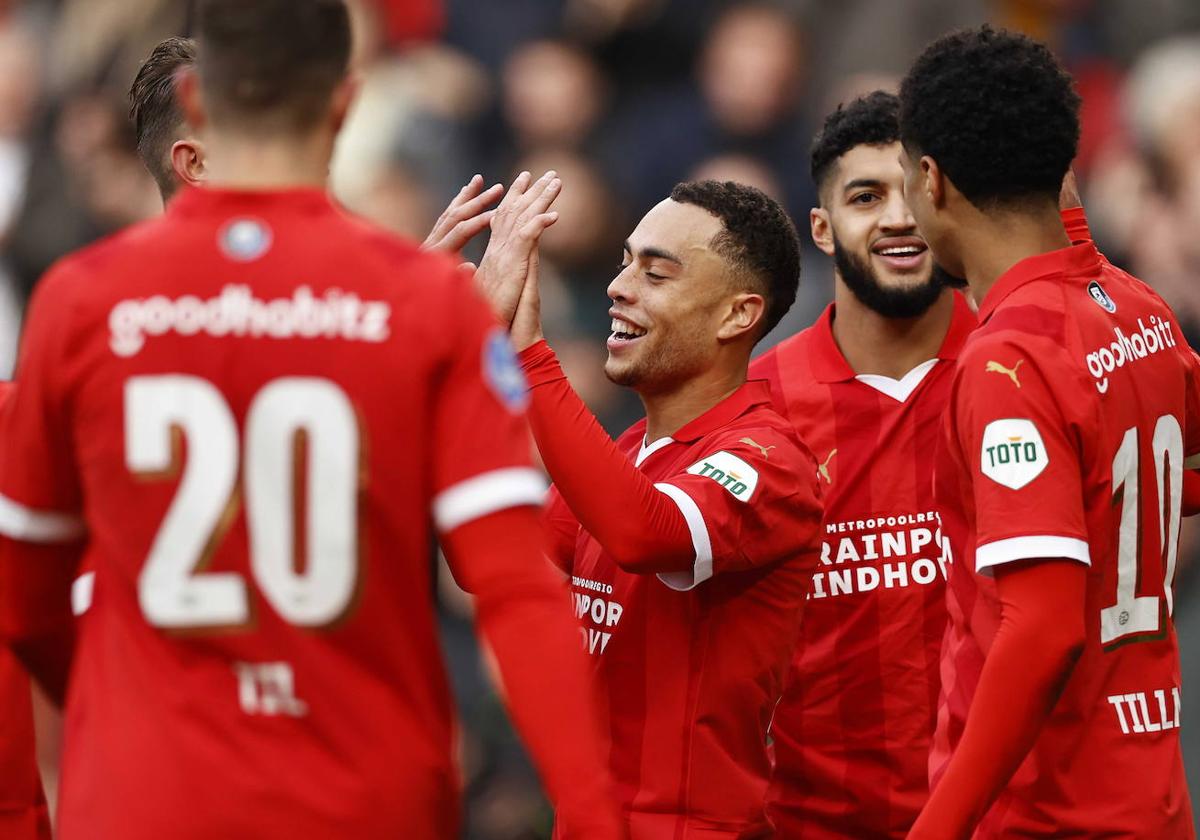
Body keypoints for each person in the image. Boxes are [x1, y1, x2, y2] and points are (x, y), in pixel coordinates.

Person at [0, 2, 621, 838]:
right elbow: (513, 590)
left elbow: (24, 610)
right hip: (362, 795)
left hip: (148, 794)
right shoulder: (422, 306)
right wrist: (594, 816)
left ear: (203, 96)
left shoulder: (81, 308)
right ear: (340, 104)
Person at [898, 26, 1196, 838]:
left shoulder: (1009, 360)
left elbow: (1043, 626)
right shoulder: (1139, 309)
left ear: (932, 180)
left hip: (1046, 813)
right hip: (1154, 799)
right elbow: (1161, 470)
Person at [474, 175, 824, 838]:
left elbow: (646, 533)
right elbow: (487, 557)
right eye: (625, 262)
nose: (619, 286)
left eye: (656, 273)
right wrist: (434, 356)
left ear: (736, 315)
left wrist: (526, 354)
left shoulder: (770, 460)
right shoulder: (632, 452)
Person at [750, 91, 973, 839]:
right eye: (866, 196)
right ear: (821, 226)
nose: (898, 217)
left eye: (916, 190)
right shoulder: (757, 404)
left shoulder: (1026, 365)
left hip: (1012, 820)